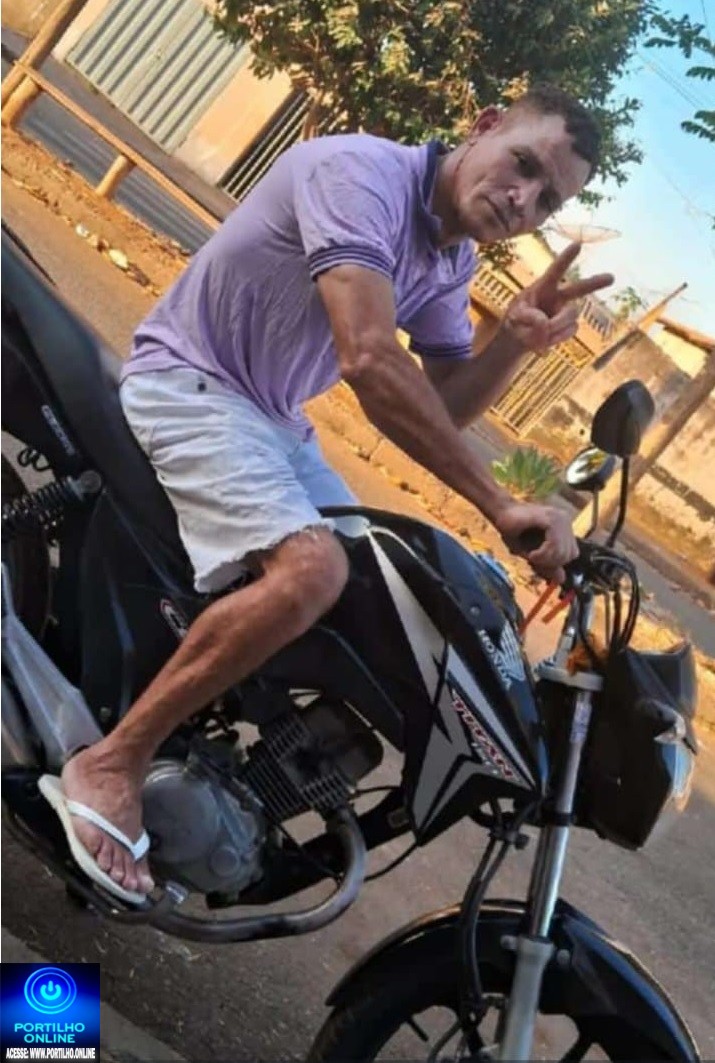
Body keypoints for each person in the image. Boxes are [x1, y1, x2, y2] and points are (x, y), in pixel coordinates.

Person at [42, 83, 613, 901]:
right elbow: (370, 360)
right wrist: (498, 502)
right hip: (194, 383)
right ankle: (112, 761)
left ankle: (220, 748)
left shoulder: (448, 255)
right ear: (483, 126)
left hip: (271, 419)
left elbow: (444, 402)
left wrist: (512, 343)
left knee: (388, 578)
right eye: (521, 165)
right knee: (312, 571)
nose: (523, 199)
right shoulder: (360, 177)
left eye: (547, 199)